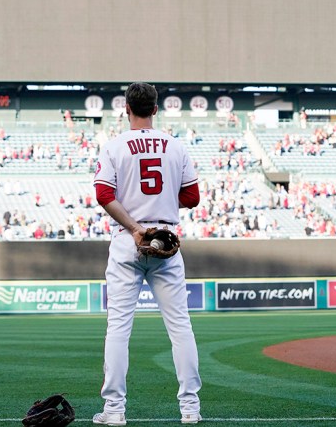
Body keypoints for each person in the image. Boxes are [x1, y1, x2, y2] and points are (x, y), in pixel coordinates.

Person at [92, 82, 202, 425]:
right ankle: (190, 409)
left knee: (119, 328)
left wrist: (135, 227)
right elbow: (192, 197)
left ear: (126, 108)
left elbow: (103, 194)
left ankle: (114, 411)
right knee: (180, 326)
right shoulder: (176, 146)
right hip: (166, 239)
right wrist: (162, 199)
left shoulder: (113, 146)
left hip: (128, 239)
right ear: (156, 109)